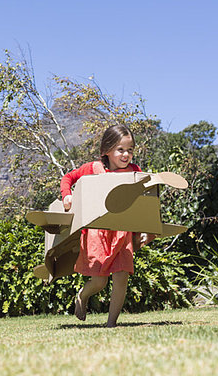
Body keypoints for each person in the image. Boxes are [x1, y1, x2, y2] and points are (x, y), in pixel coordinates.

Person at [60, 124, 154, 327]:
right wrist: (67, 195)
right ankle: (82, 296)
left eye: (130, 150)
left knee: (121, 277)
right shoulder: (94, 169)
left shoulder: (135, 172)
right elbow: (68, 178)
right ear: (106, 150)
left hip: (123, 232)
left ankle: (111, 324)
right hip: (96, 233)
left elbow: (145, 202)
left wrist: (146, 228)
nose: (126, 154)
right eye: (121, 149)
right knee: (99, 281)